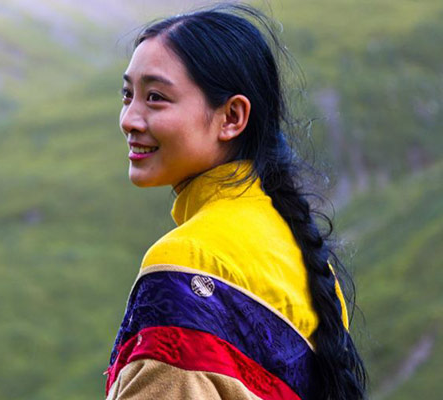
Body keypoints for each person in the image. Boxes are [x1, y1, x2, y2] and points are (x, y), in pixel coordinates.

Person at [105, 3, 367, 400]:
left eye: (155, 97)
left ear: (232, 117)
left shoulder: (186, 261)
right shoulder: (299, 250)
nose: (129, 118)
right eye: (128, 95)